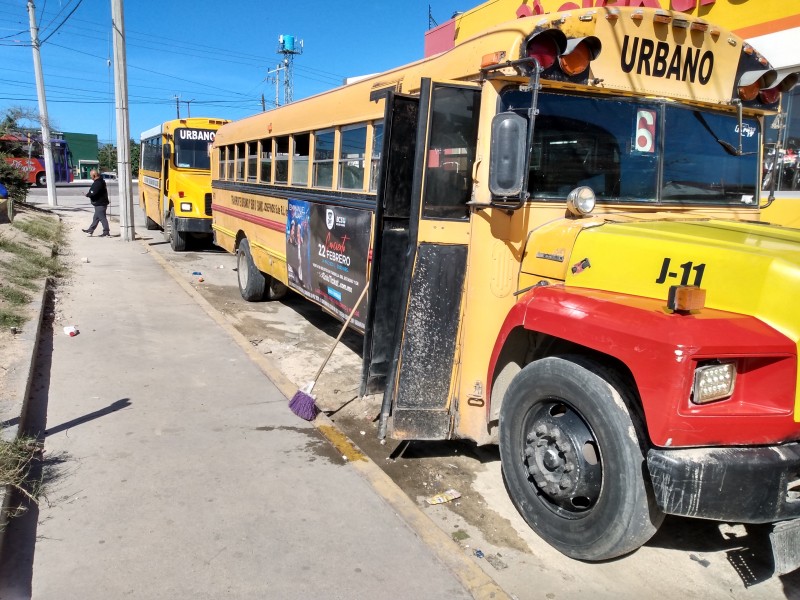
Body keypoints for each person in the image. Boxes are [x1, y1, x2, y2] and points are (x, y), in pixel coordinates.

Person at [82, 169, 110, 237]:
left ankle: (106, 232)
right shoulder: (101, 181)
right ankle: (90, 230)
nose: (91, 177)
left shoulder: (97, 183)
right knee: (96, 218)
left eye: (91, 176)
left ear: (94, 175)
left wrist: (87, 195)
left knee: (102, 218)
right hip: (101, 203)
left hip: (100, 203)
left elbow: (93, 192)